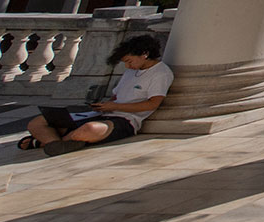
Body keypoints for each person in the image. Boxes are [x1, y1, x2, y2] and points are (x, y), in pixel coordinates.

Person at [20, 35, 172, 157]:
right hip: (104, 113)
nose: (127, 66)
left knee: (89, 129)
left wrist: (115, 107)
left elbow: (153, 104)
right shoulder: (131, 72)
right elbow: (115, 95)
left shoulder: (160, 73)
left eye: (129, 61)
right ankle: (57, 143)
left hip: (126, 120)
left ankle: (46, 141)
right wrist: (104, 106)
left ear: (144, 54)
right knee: (37, 122)